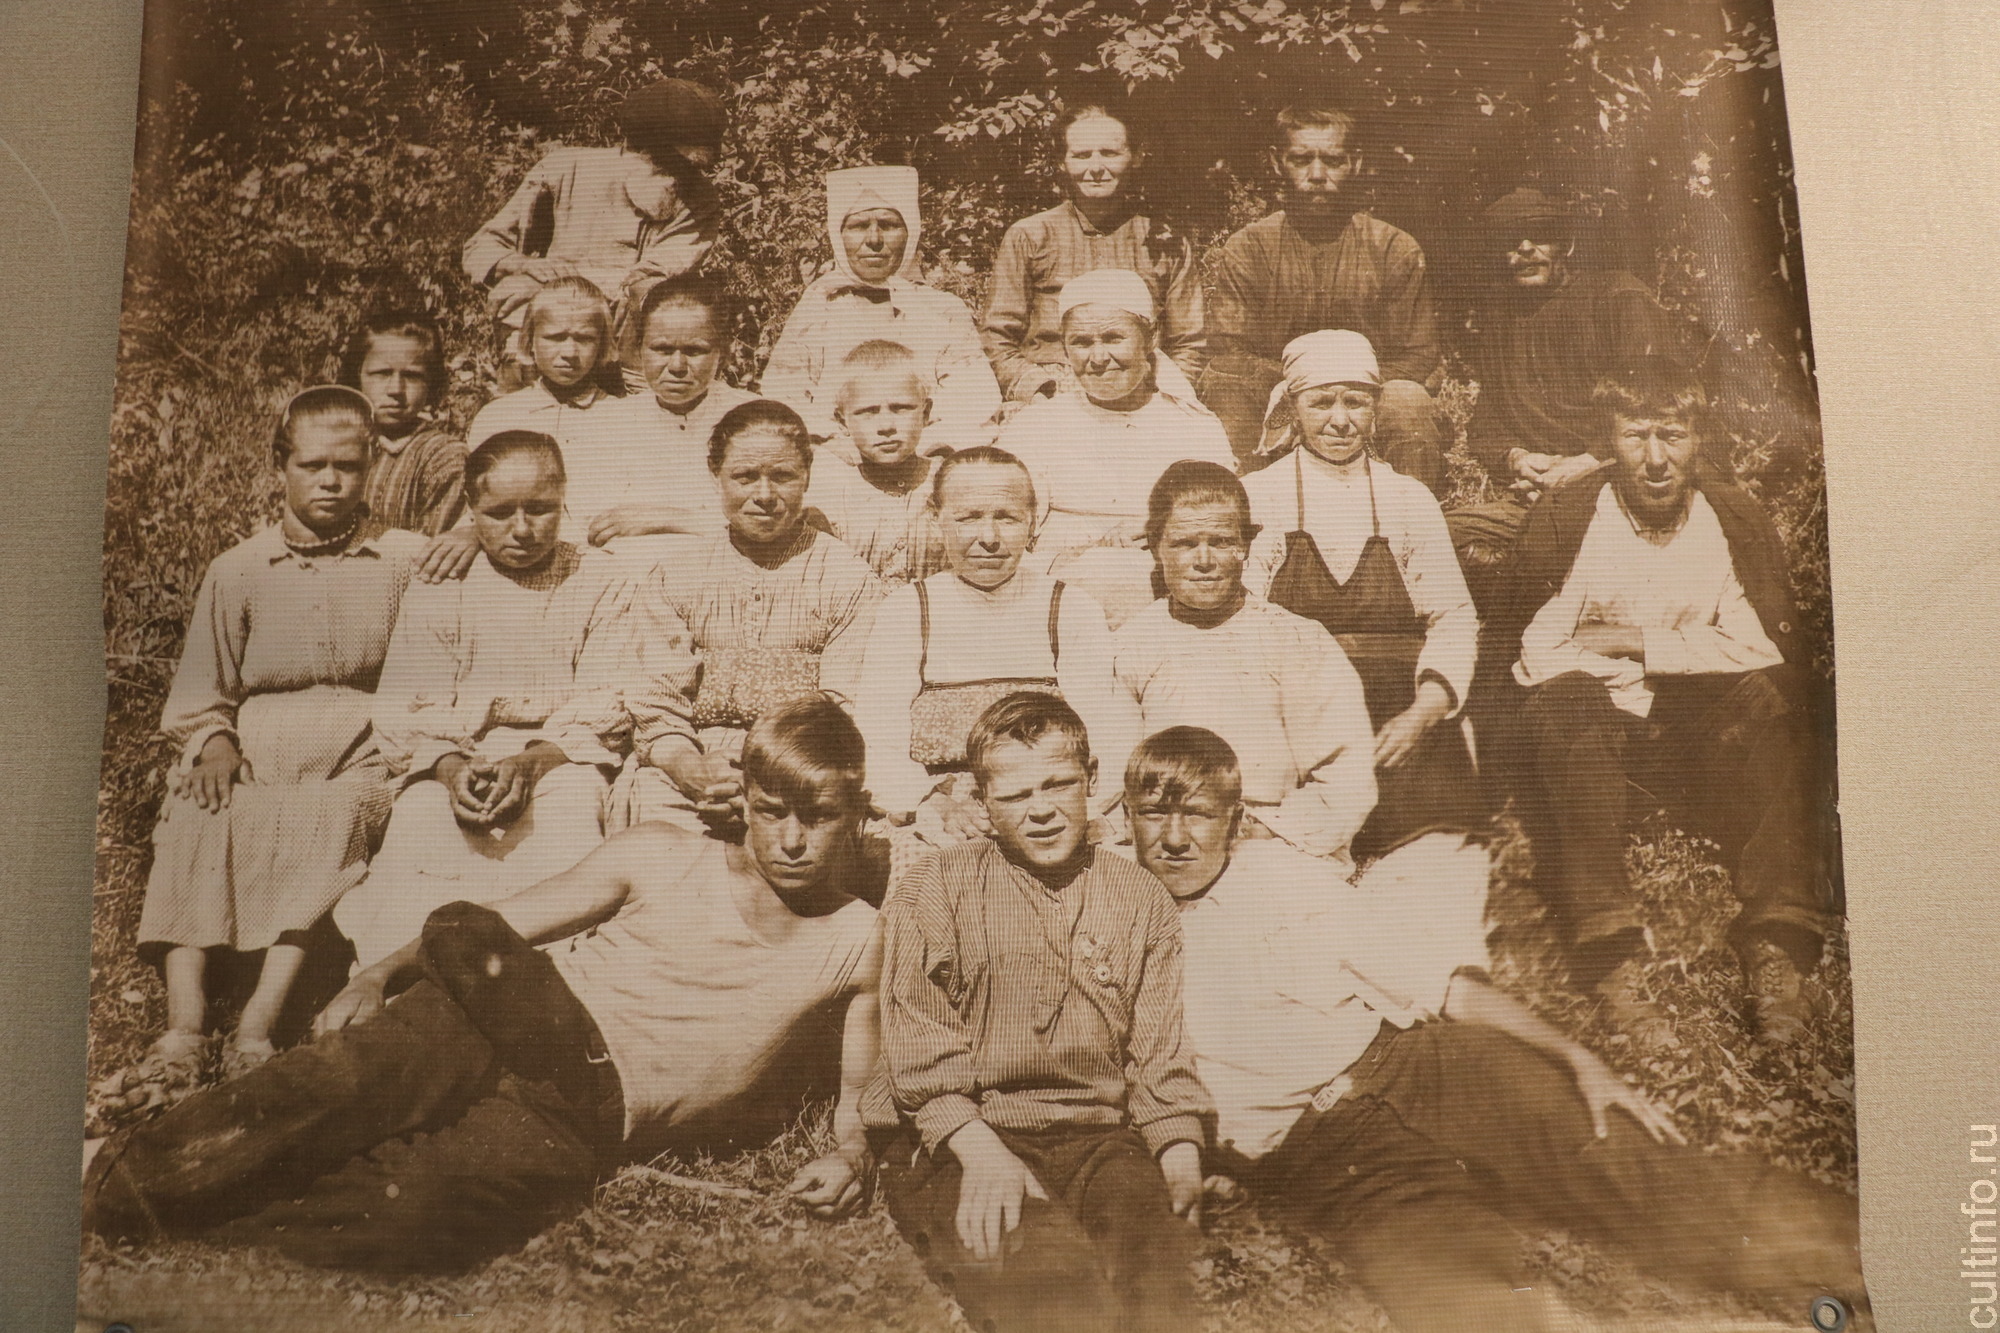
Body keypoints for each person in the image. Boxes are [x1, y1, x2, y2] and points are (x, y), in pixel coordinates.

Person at [82, 698, 887, 1275]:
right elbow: (509, 920)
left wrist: (851, 1154)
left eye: (816, 817)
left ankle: (198, 1203)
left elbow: (856, 1095)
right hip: (521, 1010)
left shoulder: (857, 936)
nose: (791, 839)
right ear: (743, 800)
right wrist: (379, 973)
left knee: (418, 1215)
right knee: (348, 1078)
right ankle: (105, 1174)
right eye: (771, 810)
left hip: (586, 1113)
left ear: (855, 812)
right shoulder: (665, 851)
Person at [1125, 726, 1868, 1333]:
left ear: (1235, 820)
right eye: (1154, 815)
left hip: (1428, 1069)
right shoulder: (1113, 929)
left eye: (1199, 815)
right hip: (1333, 1160)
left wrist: (1579, 1061)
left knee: (1647, 1177)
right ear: (1126, 820)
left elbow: (1445, 987)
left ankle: (1889, 1267)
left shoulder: (1282, 879)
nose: (1176, 838)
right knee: (1463, 1303)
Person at [92, 388, 427, 1118]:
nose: (331, 481)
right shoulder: (240, 569)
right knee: (197, 807)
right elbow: (201, 690)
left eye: (348, 466)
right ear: (281, 467)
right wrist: (214, 741)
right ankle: (183, 1028)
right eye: (312, 465)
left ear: (371, 466)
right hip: (257, 744)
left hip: (362, 744)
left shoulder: (406, 559)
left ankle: (256, 1025)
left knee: (335, 815)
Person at [1490, 365, 1831, 1048]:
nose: (1654, 459)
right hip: (1595, 733)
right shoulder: (1570, 517)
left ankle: (1777, 939)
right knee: (1568, 700)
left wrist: (1634, 641)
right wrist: (1673, 657)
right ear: (1609, 441)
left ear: (1698, 438)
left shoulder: (1729, 520)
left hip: (1696, 735)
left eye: (1671, 435)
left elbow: (1758, 647)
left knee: (1778, 704)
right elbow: (1536, 652)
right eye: (1635, 436)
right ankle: (1610, 949)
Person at [862, 693, 1210, 1333]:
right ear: (981, 801)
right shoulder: (934, 886)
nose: (1042, 810)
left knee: (1155, 1275)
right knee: (1054, 1286)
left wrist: (1179, 1152)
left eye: (1058, 784)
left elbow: (1160, 1050)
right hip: (963, 1133)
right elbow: (917, 1043)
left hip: (1099, 1138)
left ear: (1092, 779)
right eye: (1016, 794)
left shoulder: (1141, 898)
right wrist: (982, 1154)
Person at [333, 433, 633, 969]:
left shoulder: (600, 577)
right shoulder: (444, 582)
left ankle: (549, 980)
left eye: (540, 509)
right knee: (420, 821)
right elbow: (406, 703)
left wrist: (531, 763)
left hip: (561, 757)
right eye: (498, 513)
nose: (522, 529)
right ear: (471, 511)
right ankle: (403, 981)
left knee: (567, 821)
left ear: (563, 500)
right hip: (455, 755)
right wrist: (451, 770)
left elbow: (608, 696)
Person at [1243, 331, 1486, 860]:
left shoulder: (1408, 497)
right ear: (1292, 408)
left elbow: (1453, 618)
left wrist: (1424, 711)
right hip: (1298, 703)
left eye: (1355, 402)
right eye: (1321, 403)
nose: (1340, 420)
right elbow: (1243, 620)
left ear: (1376, 409)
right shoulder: (1260, 495)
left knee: (1437, 848)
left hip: (1394, 709)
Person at [612, 399, 885, 832]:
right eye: (744, 476)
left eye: (783, 476)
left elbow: (841, 710)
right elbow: (656, 703)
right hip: (692, 763)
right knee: (658, 836)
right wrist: (691, 769)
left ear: (807, 477)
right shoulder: (676, 577)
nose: (764, 495)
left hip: (805, 771)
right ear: (716, 475)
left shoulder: (848, 579)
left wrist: (767, 784)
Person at [852, 446, 1138, 853]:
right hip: (939, 819)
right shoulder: (907, 610)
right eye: (968, 518)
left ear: (1033, 522)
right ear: (935, 519)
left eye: (1006, 518)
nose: (988, 538)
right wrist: (933, 804)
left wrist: (1048, 809)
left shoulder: (1070, 608)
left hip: (1049, 812)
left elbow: (1105, 737)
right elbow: (876, 736)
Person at [1115, 461, 1378, 863]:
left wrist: (1267, 830)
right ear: (1156, 547)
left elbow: (1346, 774)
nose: (1204, 560)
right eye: (1184, 544)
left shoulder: (1296, 641)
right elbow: (1112, 777)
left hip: (1270, 840)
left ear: (1246, 547)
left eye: (1222, 542)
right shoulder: (1131, 644)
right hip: (1162, 842)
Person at [1199, 106, 1444, 490]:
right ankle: (1243, 510)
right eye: (1301, 159)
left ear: (1355, 163)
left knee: (1409, 402)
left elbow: (1418, 354)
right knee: (1224, 384)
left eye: (1332, 160)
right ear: (1277, 162)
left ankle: (1407, 515)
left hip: (1366, 396)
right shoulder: (1249, 247)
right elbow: (1228, 349)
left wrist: (1344, 391)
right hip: (1276, 392)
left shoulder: (1393, 248)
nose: (1316, 174)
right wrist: (1301, 392)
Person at [995, 268, 1234, 627]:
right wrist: (1087, 554)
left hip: (1173, 601)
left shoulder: (1196, 427)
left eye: (1113, 338)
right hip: (1057, 599)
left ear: (1150, 338)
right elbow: (999, 534)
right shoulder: (1035, 426)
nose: (1098, 358)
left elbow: (1225, 533)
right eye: (1081, 342)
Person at [462, 77, 724, 382]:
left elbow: (649, 281)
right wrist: (523, 265)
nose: (683, 176)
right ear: (636, 147)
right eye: (673, 161)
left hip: (626, 340)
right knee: (517, 300)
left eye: (693, 167)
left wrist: (552, 285)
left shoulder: (699, 199)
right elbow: (480, 248)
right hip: (550, 327)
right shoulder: (566, 168)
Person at [762, 165, 1000, 457]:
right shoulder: (818, 306)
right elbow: (783, 397)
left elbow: (975, 400)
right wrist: (837, 446)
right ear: (838, 234)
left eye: (888, 225)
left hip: (930, 455)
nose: (874, 240)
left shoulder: (941, 310)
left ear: (910, 231)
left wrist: (923, 451)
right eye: (859, 226)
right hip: (836, 458)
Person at [980, 100, 1205, 404]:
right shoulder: (1030, 236)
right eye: (1082, 155)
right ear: (1062, 162)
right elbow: (996, 337)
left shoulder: (1165, 241)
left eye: (1110, 153)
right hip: (1052, 391)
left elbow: (1189, 342)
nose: (1096, 168)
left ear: (1136, 156)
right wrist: (1038, 390)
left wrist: (1161, 397)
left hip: (1143, 391)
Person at [1466, 187, 1684, 496]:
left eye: (1540, 236)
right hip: (1539, 489)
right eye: (1510, 240)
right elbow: (1487, 422)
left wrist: (1589, 462)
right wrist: (1518, 459)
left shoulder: (1618, 299)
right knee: (1452, 526)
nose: (1525, 248)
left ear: (1567, 245)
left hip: (1629, 482)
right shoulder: (1502, 320)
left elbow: (1659, 404)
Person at [580, 273, 760, 548]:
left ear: (722, 353)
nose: (677, 366)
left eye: (695, 351)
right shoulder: (609, 421)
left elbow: (772, 520)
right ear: (639, 349)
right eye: (662, 349)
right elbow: (590, 522)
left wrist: (665, 519)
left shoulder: (756, 420)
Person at [802, 340, 950, 583]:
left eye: (901, 408)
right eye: (868, 412)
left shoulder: (947, 483)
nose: (886, 426)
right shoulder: (830, 494)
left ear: (925, 413)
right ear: (842, 421)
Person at [339, 308, 467, 537]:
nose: (396, 389)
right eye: (382, 373)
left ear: (431, 383)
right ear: (357, 377)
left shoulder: (443, 457)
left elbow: (432, 547)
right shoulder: (338, 445)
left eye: (412, 376)